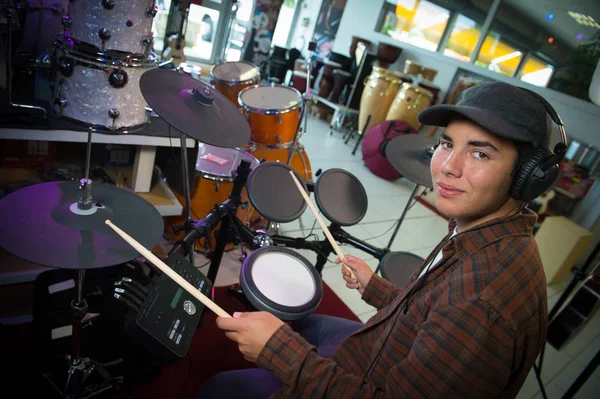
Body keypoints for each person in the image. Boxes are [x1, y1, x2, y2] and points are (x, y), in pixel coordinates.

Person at [197, 81, 555, 398]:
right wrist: (375, 288)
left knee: (219, 388)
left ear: (526, 176)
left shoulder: (482, 303)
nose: (448, 166)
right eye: (447, 144)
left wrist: (281, 354)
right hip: (387, 351)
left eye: (480, 153)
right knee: (303, 322)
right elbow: (430, 314)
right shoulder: (481, 230)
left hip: (374, 379)